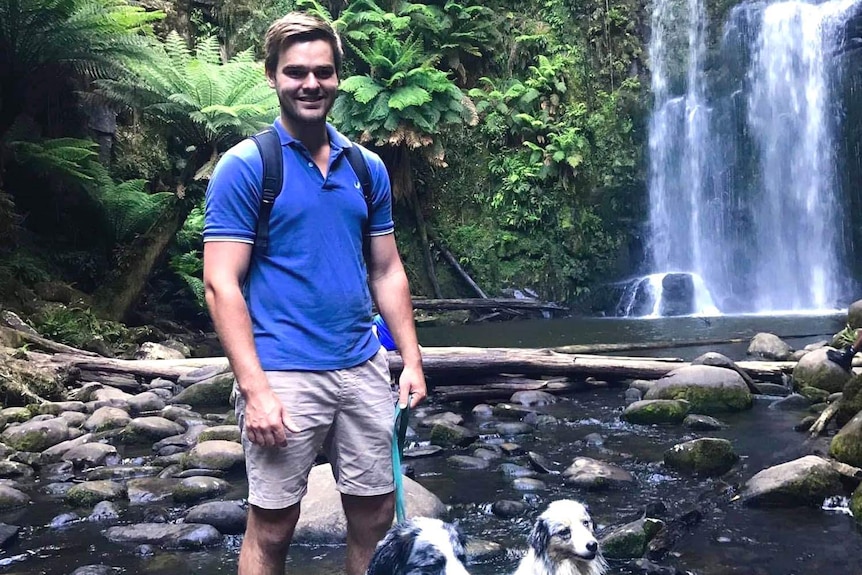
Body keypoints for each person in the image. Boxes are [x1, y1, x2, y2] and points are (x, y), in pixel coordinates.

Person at [202, 12, 426, 575]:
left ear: (338, 78)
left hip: (361, 366)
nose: (310, 84)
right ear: (272, 75)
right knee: (273, 526)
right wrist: (255, 391)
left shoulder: (366, 167)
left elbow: (387, 270)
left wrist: (411, 361)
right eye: (295, 71)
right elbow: (220, 281)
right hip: (284, 371)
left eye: (323, 72)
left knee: (375, 515)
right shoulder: (248, 166)